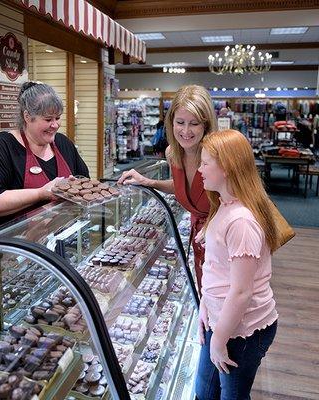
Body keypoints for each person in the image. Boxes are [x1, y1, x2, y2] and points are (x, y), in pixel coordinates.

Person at [195, 129, 279, 400]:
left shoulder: (241, 220)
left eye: (206, 163)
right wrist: (206, 307)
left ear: (227, 168)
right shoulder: (224, 204)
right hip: (221, 323)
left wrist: (218, 341)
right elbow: (217, 269)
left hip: (241, 332)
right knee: (205, 392)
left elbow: (242, 292)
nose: (199, 169)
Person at [118, 85, 218, 294]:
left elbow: (244, 199)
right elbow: (188, 188)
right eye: (180, 122)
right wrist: (149, 182)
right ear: (170, 122)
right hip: (200, 241)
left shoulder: (218, 153)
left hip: (223, 242)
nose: (186, 131)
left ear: (206, 124)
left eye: (194, 124)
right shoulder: (173, 153)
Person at [0, 81, 89, 232]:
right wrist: (41, 193)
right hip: (13, 246)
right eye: (48, 119)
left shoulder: (63, 143)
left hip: (58, 240)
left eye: (57, 118)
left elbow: (84, 184)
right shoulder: (3, 146)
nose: (55, 125)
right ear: (27, 116)